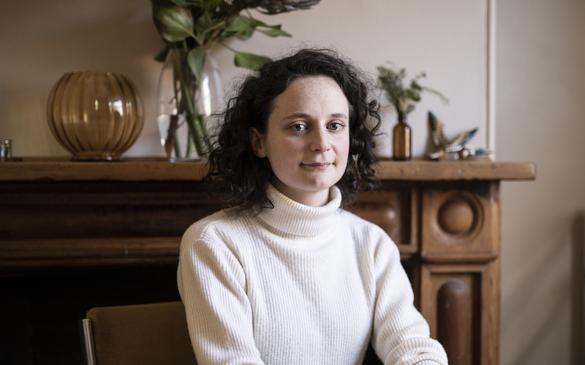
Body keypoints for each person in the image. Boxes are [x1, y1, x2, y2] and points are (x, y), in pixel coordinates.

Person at [177, 48, 448, 365]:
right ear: (258, 142)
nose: (322, 144)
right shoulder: (214, 243)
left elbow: (413, 347)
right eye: (298, 126)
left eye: (335, 125)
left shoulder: (371, 244)